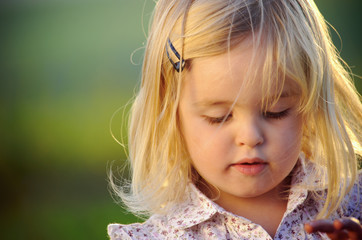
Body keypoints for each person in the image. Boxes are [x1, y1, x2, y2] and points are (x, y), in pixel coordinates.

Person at [108, 0, 362, 239]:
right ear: (171, 114)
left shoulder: (349, 204)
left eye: (276, 111)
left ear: (311, 103)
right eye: (218, 117)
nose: (250, 137)